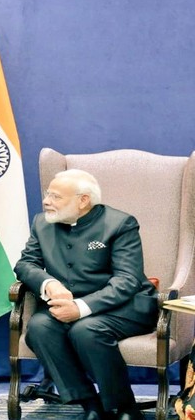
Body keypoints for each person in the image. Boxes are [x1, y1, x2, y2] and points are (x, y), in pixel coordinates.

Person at [14, 169, 158, 420]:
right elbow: (26, 264)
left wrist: (80, 308)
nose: (47, 201)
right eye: (48, 194)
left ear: (83, 200)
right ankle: (89, 403)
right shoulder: (42, 222)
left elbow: (128, 280)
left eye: (56, 197)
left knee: (87, 329)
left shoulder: (121, 224)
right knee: (39, 326)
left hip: (125, 307)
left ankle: (124, 407)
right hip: (69, 305)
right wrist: (48, 283)